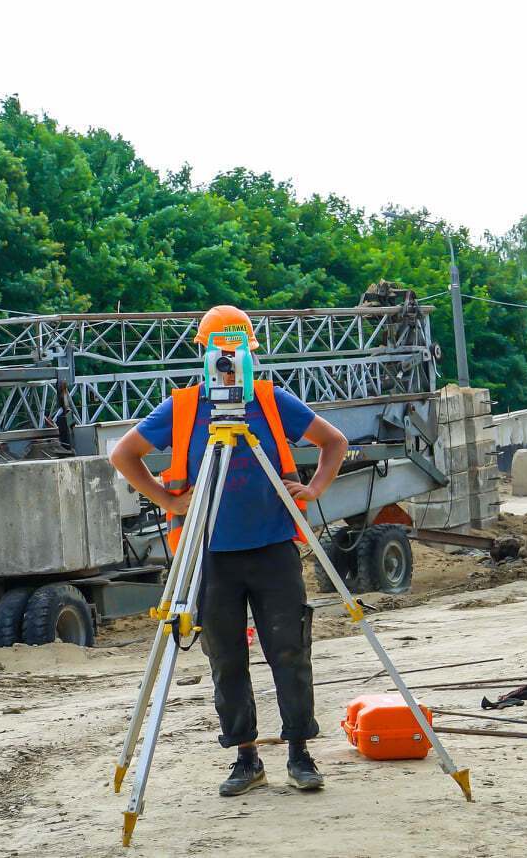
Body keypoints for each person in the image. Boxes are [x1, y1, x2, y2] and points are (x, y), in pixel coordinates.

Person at [109, 305, 350, 797]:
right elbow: (123, 455)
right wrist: (168, 498)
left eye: (238, 351)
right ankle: (246, 756)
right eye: (222, 351)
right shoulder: (181, 408)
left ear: (250, 353)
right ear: (205, 351)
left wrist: (316, 488)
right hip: (210, 555)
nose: (230, 360)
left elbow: (335, 442)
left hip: (272, 548)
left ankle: (300, 753)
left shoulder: (271, 400)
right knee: (227, 658)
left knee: (289, 650)